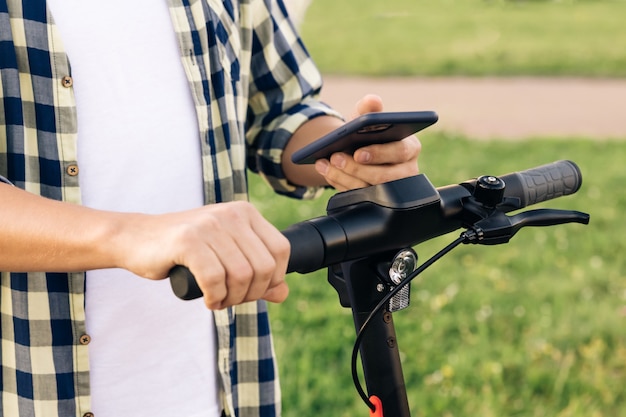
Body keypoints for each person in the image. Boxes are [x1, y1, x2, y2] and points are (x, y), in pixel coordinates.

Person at [0, 1, 421, 416]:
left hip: (216, 385)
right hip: (35, 389)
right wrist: (134, 234)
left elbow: (280, 108)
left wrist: (351, 152)